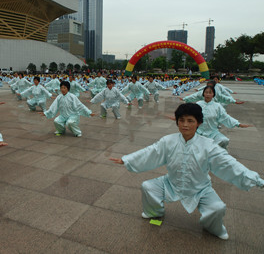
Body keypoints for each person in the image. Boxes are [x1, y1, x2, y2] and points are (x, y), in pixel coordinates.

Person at [110, 103, 264, 240]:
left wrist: (257, 180)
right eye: (181, 120)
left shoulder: (208, 145)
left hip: (200, 188)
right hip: (171, 183)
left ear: (198, 123)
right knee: (148, 187)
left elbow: (230, 164)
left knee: (218, 208)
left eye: (190, 121)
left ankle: (212, 227)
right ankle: (154, 212)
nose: (185, 125)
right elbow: (150, 152)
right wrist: (127, 159)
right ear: (176, 121)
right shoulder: (168, 141)